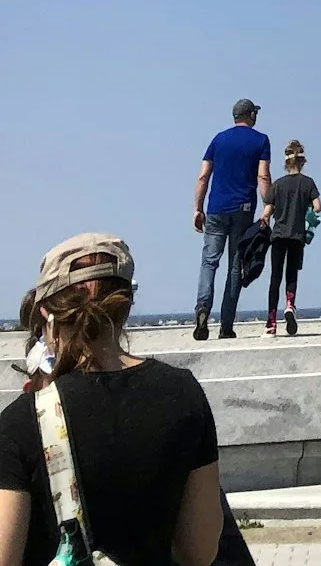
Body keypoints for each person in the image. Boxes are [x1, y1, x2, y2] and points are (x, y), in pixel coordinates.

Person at [0, 232, 223, 566]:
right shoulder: (183, 394)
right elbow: (200, 551)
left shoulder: (22, 421)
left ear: (46, 312)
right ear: (126, 304)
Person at [193, 97, 271, 340]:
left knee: (209, 262)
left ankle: (203, 308)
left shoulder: (218, 139)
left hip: (216, 208)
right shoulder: (261, 140)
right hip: (243, 209)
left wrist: (198, 208)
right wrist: (269, 203)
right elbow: (263, 176)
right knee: (235, 266)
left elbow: (203, 176)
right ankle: (226, 325)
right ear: (251, 115)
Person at [260, 141, 321, 336]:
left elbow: (266, 213)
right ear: (302, 161)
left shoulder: (277, 185)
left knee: (275, 277)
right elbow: (318, 206)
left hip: (278, 235)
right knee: (291, 274)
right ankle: (289, 305)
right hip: (297, 235)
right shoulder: (308, 183)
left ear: (286, 163)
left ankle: (271, 323)